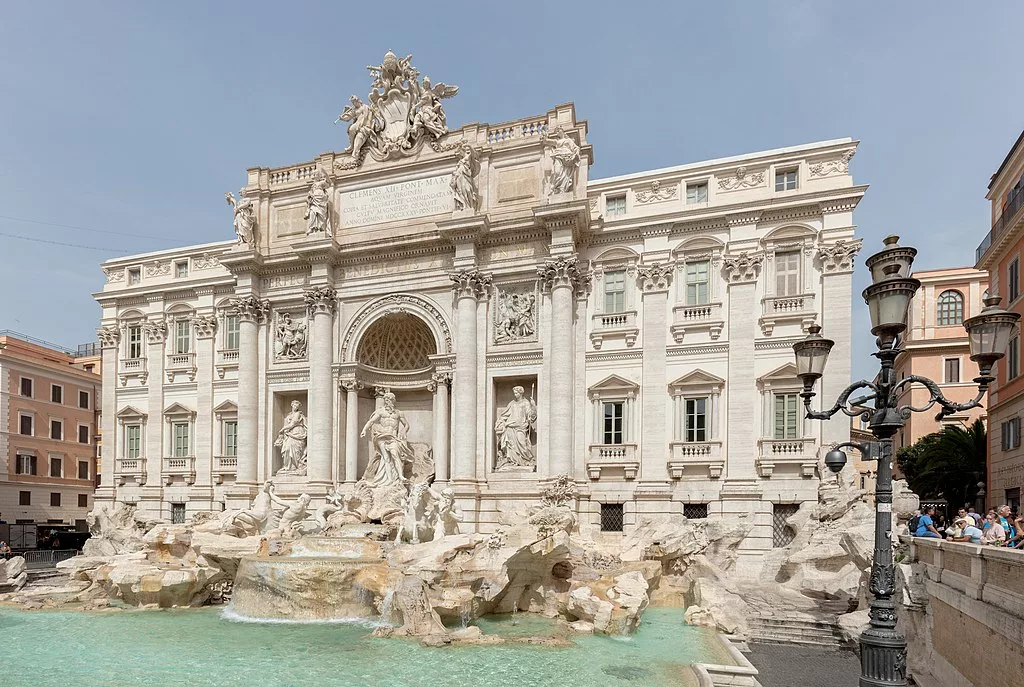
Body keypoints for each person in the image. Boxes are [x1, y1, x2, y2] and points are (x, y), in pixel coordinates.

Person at [360, 391, 413, 487]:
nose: (387, 402)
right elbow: (371, 421)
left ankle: (400, 476)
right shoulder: (381, 412)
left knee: (395, 455)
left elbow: (407, 425)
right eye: (386, 400)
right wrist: (364, 430)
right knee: (386, 458)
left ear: (393, 401)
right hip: (382, 436)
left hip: (393, 438)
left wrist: (403, 431)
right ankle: (389, 480)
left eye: (389, 400)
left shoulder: (399, 413)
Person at [494, 385, 538, 470]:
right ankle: (512, 461)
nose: (515, 395)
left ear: (521, 393)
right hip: (510, 426)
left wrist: (533, 406)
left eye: (517, 393)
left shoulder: (525, 403)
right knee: (510, 445)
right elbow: (505, 415)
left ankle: (525, 460)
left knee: (522, 443)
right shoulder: (512, 403)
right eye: (514, 393)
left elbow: (531, 416)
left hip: (521, 427)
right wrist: (501, 422)